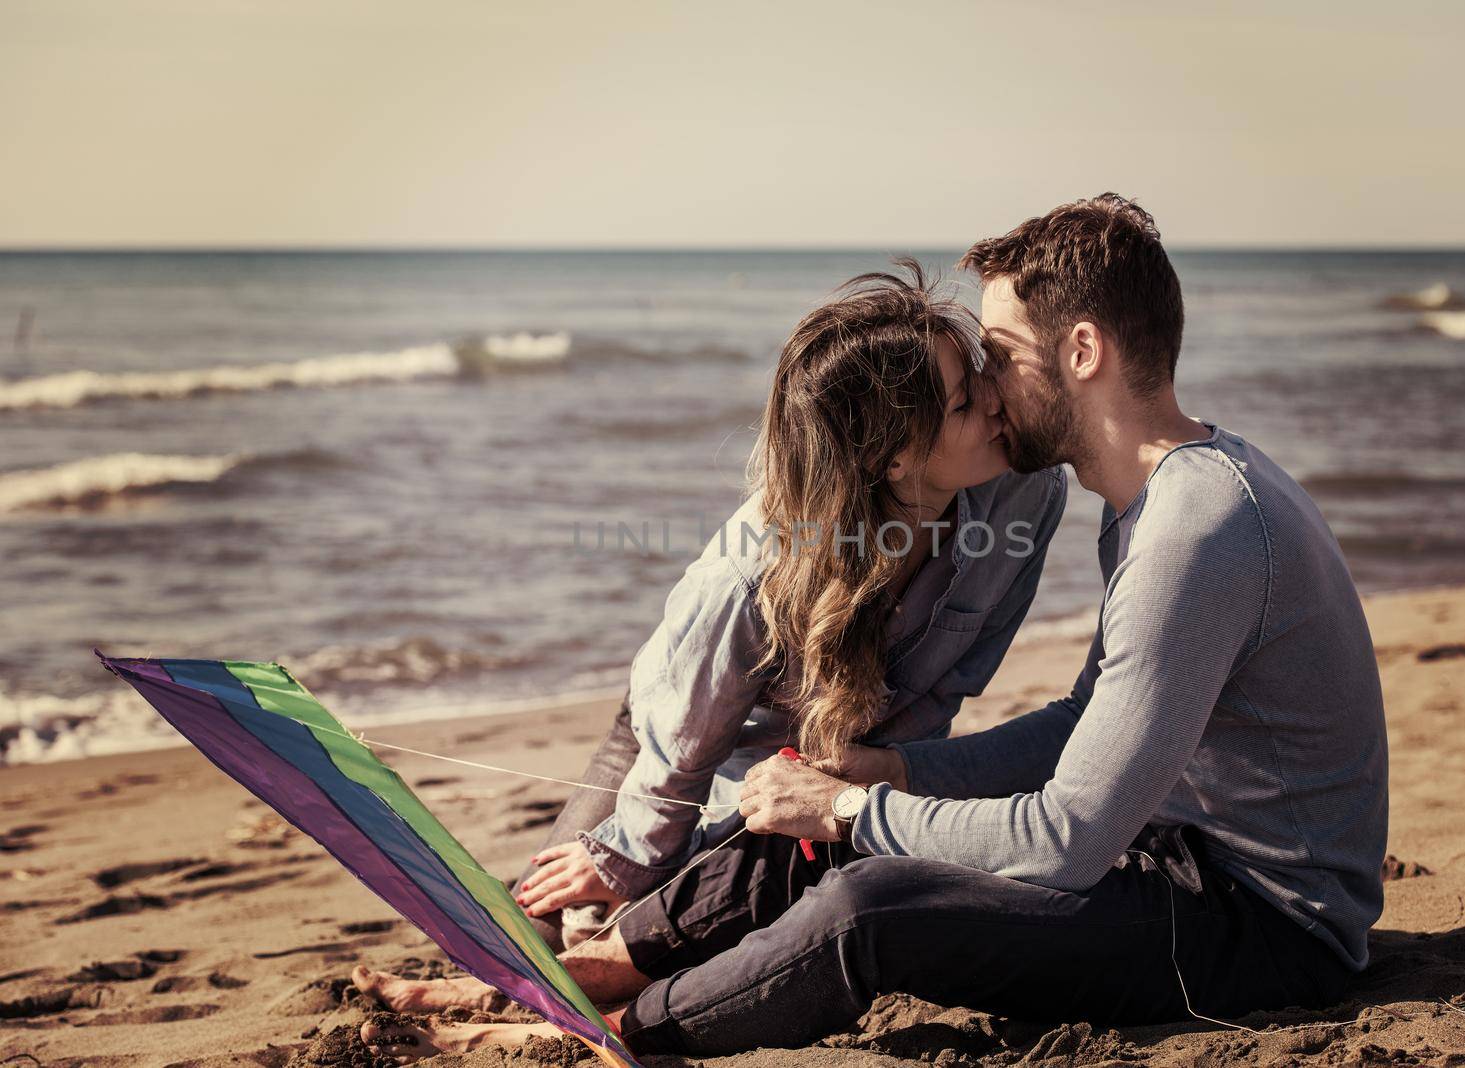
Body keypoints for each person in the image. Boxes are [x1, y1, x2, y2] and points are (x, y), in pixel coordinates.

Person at [358, 194, 1388, 1063]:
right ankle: (589, 974)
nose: (987, 385)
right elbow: (1086, 718)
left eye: (1001, 353)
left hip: (1264, 927)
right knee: (826, 812)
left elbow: (1067, 841)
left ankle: (613, 1031)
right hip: (1175, 856)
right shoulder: (1159, 503)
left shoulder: (1190, 529)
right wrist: (886, 772)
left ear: (1081, 352)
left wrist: (855, 814)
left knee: (870, 904)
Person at [352, 263, 1068, 1015]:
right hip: (672, 729)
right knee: (563, 908)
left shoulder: (1026, 497)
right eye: (965, 401)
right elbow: (684, 746)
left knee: (692, 923)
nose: (995, 402)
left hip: (838, 751)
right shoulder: (753, 569)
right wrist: (629, 854)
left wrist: (865, 777)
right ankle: (491, 960)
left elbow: (949, 688)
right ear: (892, 457)